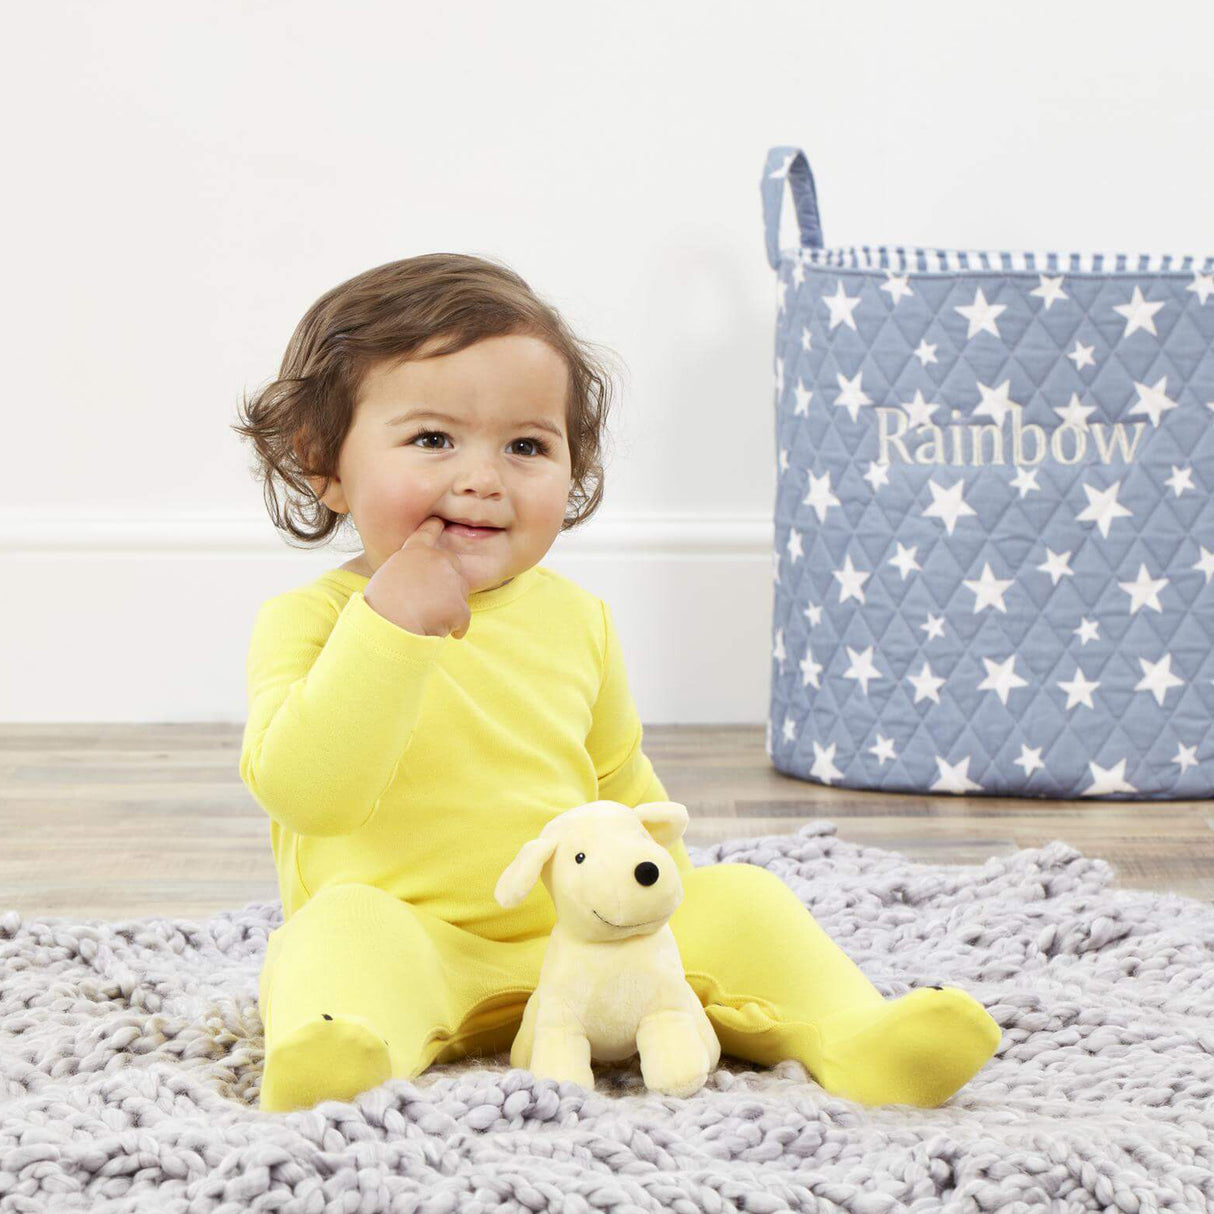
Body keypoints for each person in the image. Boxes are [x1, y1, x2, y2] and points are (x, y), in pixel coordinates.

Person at [232, 252, 1002, 1113]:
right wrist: (388, 629)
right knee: (338, 933)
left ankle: (859, 1036)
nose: (483, 477)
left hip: (585, 946)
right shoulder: (312, 623)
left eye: (527, 445)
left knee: (745, 898)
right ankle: (337, 1059)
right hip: (421, 945)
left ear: (575, 469)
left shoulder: (578, 619)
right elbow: (310, 795)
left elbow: (617, 783)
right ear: (321, 464)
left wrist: (655, 898)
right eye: (433, 439)